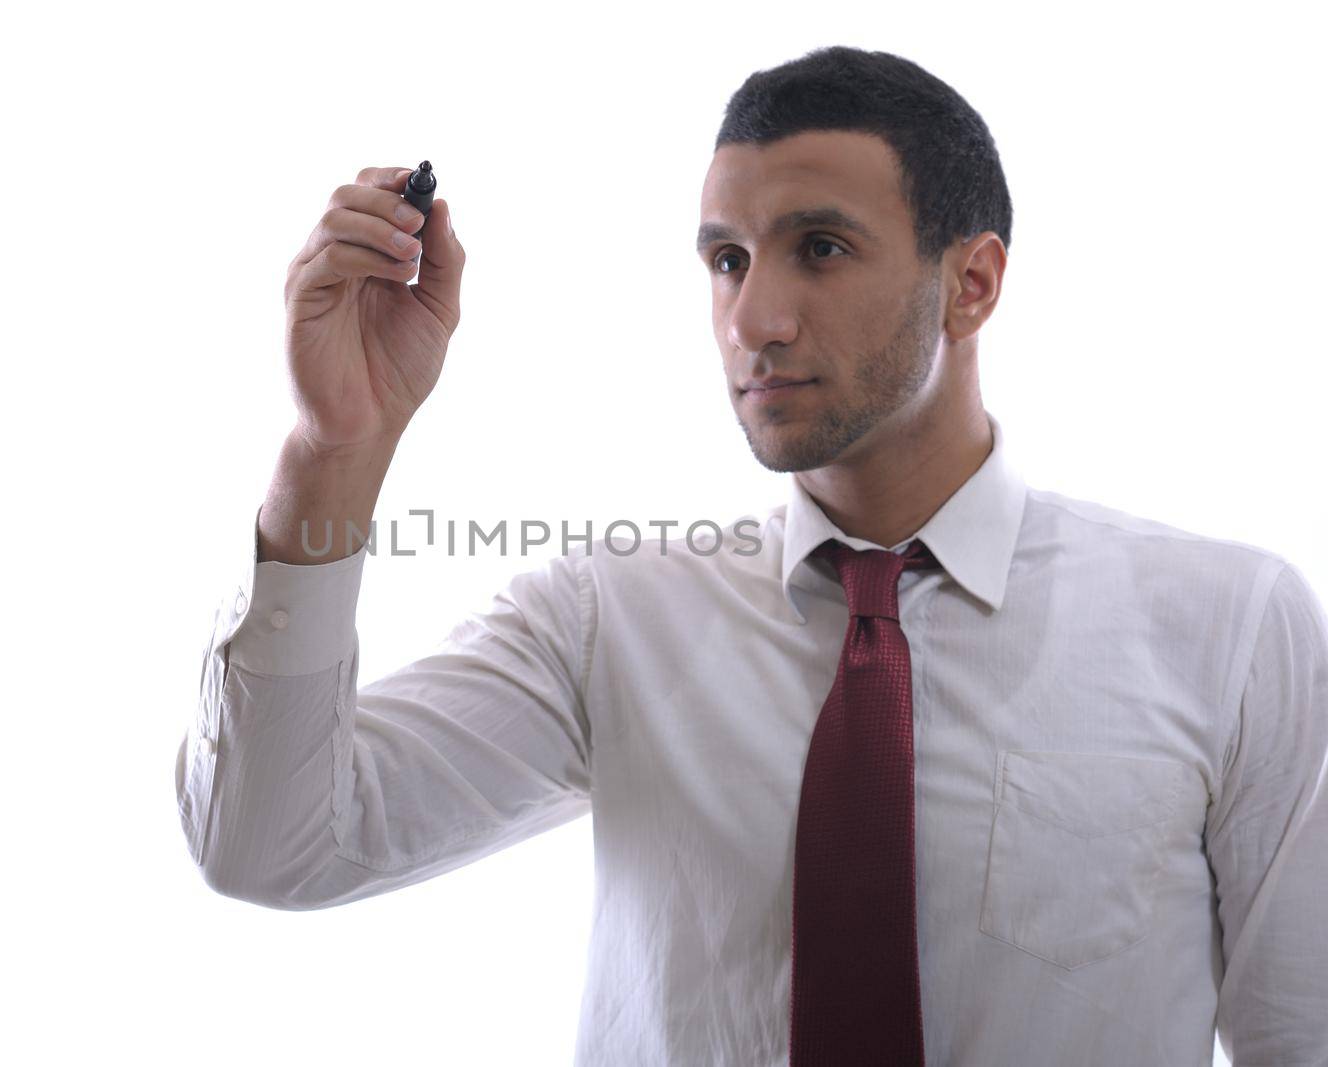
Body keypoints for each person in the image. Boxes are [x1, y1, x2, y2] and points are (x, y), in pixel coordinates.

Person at [172, 45, 1328, 1066]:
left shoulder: (1228, 625)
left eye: (817, 249)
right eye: (725, 259)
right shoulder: (606, 617)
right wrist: (335, 448)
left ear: (969, 284)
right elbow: (270, 845)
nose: (752, 318)